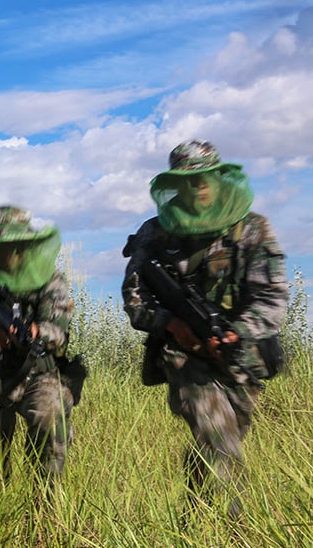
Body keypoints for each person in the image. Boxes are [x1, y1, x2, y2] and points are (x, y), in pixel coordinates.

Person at [122, 140, 288, 517]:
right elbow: (134, 298)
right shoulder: (155, 233)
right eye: (187, 181)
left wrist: (237, 332)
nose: (197, 187)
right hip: (183, 357)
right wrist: (171, 324)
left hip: (240, 357)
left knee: (223, 439)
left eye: (204, 179)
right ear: (174, 185)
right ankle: (235, 534)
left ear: (218, 179)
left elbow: (273, 295)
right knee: (221, 441)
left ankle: (194, 518)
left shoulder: (252, 228)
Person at [0, 205, 78, 497]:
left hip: (38, 372)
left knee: (50, 418)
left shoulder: (49, 277)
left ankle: (46, 507)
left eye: (14, 246)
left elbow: (59, 330)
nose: (7, 253)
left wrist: (35, 333)